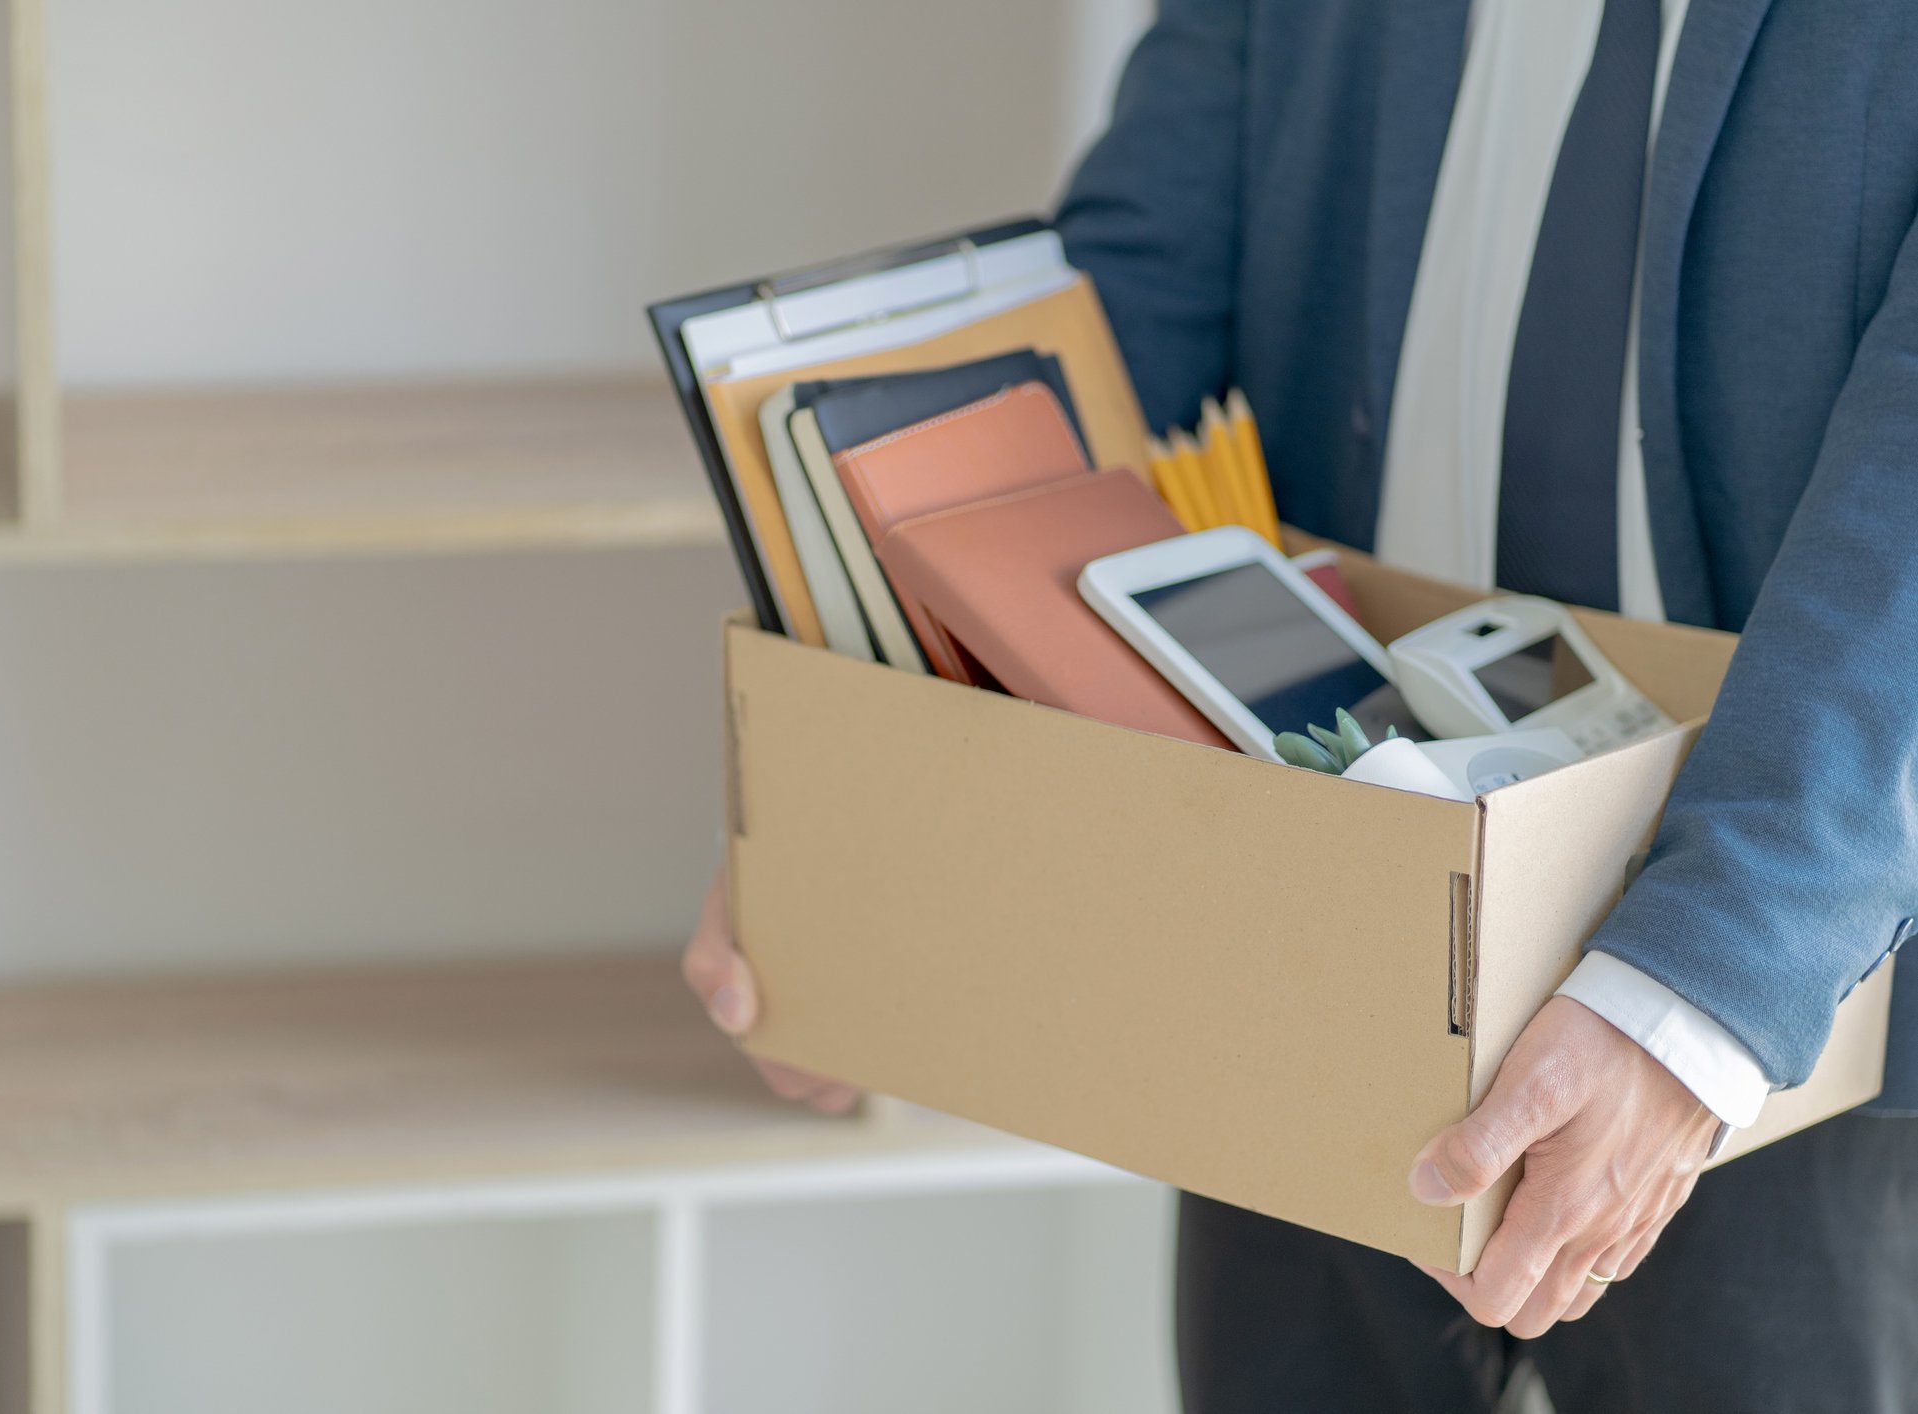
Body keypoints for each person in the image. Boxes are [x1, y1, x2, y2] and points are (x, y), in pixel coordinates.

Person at [686, 2, 1918, 1408]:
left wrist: (1706, 980)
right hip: (1305, 901)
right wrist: (872, 788)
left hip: (1792, 977)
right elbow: (1132, 298)